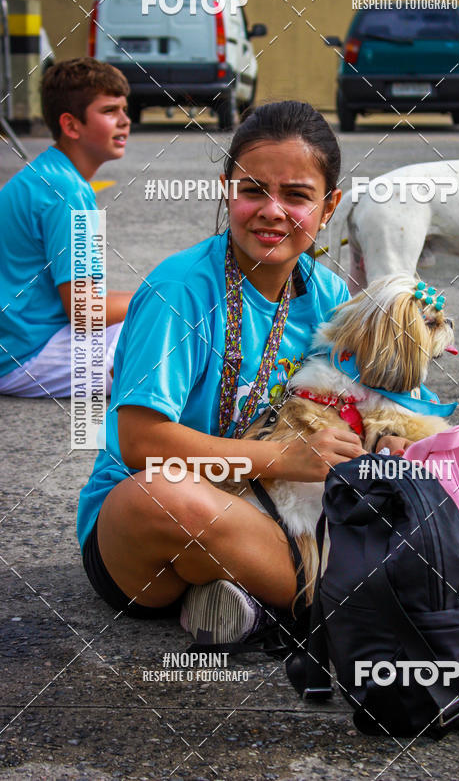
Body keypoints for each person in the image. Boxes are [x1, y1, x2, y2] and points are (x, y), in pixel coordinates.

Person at [78, 100, 409, 644]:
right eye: (253, 190)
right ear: (228, 191)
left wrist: (387, 435)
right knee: (162, 496)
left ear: (329, 209)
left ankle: (248, 599)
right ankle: (365, 609)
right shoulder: (181, 290)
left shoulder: (325, 294)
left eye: (297, 196)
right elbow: (140, 441)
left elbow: (372, 398)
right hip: (147, 533)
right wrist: (286, 457)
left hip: (271, 508)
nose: (271, 211)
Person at [0, 57, 134, 397]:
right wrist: (159, 299)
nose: (125, 121)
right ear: (71, 126)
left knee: (162, 315)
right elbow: (85, 311)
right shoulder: (66, 193)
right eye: (109, 111)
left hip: (21, 342)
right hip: (28, 356)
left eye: (124, 109)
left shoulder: (48, 176)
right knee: (175, 334)